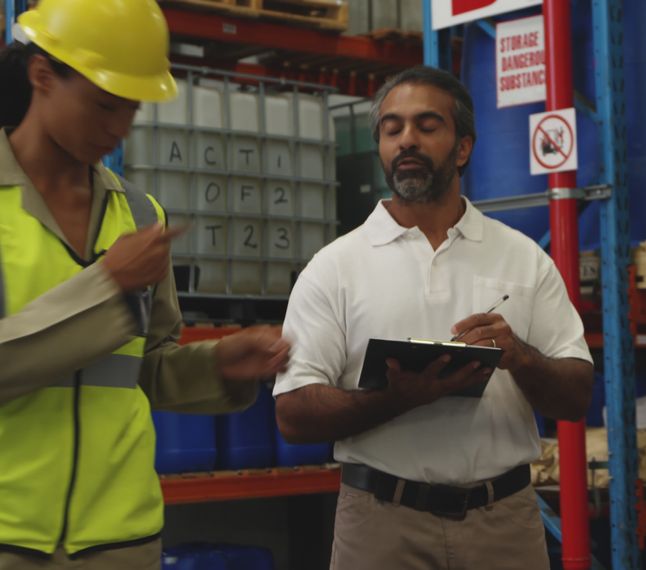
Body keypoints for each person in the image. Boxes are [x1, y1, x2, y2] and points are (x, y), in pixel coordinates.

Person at [0, 0, 291, 568]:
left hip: (123, 539)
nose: (117, 129)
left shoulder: (138, 214)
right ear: (42, 78)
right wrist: (106, 287)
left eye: (131, 109)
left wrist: (218, 364)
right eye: (104, 105)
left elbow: (144, 368)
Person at [274, 65, 594, 569]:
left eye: (427, 126)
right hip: (380, 527)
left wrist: (520, 358)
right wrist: (395, 399)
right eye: (392, 128)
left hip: (503, 525)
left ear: (462, 147)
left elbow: (576, 395)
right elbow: (292, 414)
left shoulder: (523, 258)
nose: (406, 141)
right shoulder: (335, 266)